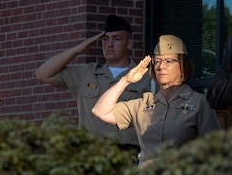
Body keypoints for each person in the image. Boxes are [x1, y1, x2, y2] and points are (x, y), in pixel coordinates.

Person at [92, 35, 221, 167]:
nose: (160, 67)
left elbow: (214, 151)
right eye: (157, 61)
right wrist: (126, 80)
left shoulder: (198, 103)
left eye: (168, 61)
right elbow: (100, 111)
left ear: (182, 65)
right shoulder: (143, 104)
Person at [35, 14, 152, 151]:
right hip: (91, 152)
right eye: (105, 39)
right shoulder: (87, 73)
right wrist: (78, 49)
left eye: (117, 39)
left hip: (129, 154)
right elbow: (42, 74)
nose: (109, 44)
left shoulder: (146, 77)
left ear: (129, 43)